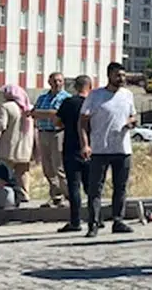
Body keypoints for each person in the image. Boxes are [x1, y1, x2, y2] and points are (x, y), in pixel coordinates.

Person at [80, 62, 138, 237]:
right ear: (109, 76)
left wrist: (132, 121)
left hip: (122, 149)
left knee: (120, 187)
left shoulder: (127, 95)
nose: (121, 79)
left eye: (123, 75)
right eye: (117, 75)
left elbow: (133, 115)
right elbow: (83, 122)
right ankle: (94, 223)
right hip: (100, 148)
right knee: (95, 188)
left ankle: (118, 220)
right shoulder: (96, 95)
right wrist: (85, 144)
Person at [55, 75, 92, 233]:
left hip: (71, 147)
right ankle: (96, 218)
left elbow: (58, 122)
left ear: (76, 87)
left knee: (74, 186)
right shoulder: (93, 103)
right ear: (90, 86)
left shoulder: (68, 103)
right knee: (92, 186)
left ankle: (75, 221)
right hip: (91, 147)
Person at [30, 73, 69, 206]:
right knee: (47, 167)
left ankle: (68, 194)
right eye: (54, 81)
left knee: (59, 166)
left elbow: (58, 115)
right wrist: (48, 114)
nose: (57, 83)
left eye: (60, 81)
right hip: (43, 132)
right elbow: (34, 113)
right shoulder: (42, 97)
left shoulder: (66, 98)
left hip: (58, 133)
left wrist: (46, 114)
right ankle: (56, 195)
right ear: (49, 82)